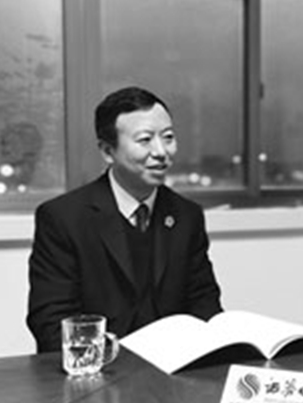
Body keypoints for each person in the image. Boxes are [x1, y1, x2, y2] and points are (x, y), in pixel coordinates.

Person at [27, 86, 223, 352]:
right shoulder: (64, 218)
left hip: (173, 367)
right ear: (108, 151)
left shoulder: (187, 216)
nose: (161, 151)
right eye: (145, 140)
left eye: (168, 137)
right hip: (98, 370)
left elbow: (205, 307)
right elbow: (51, 322)